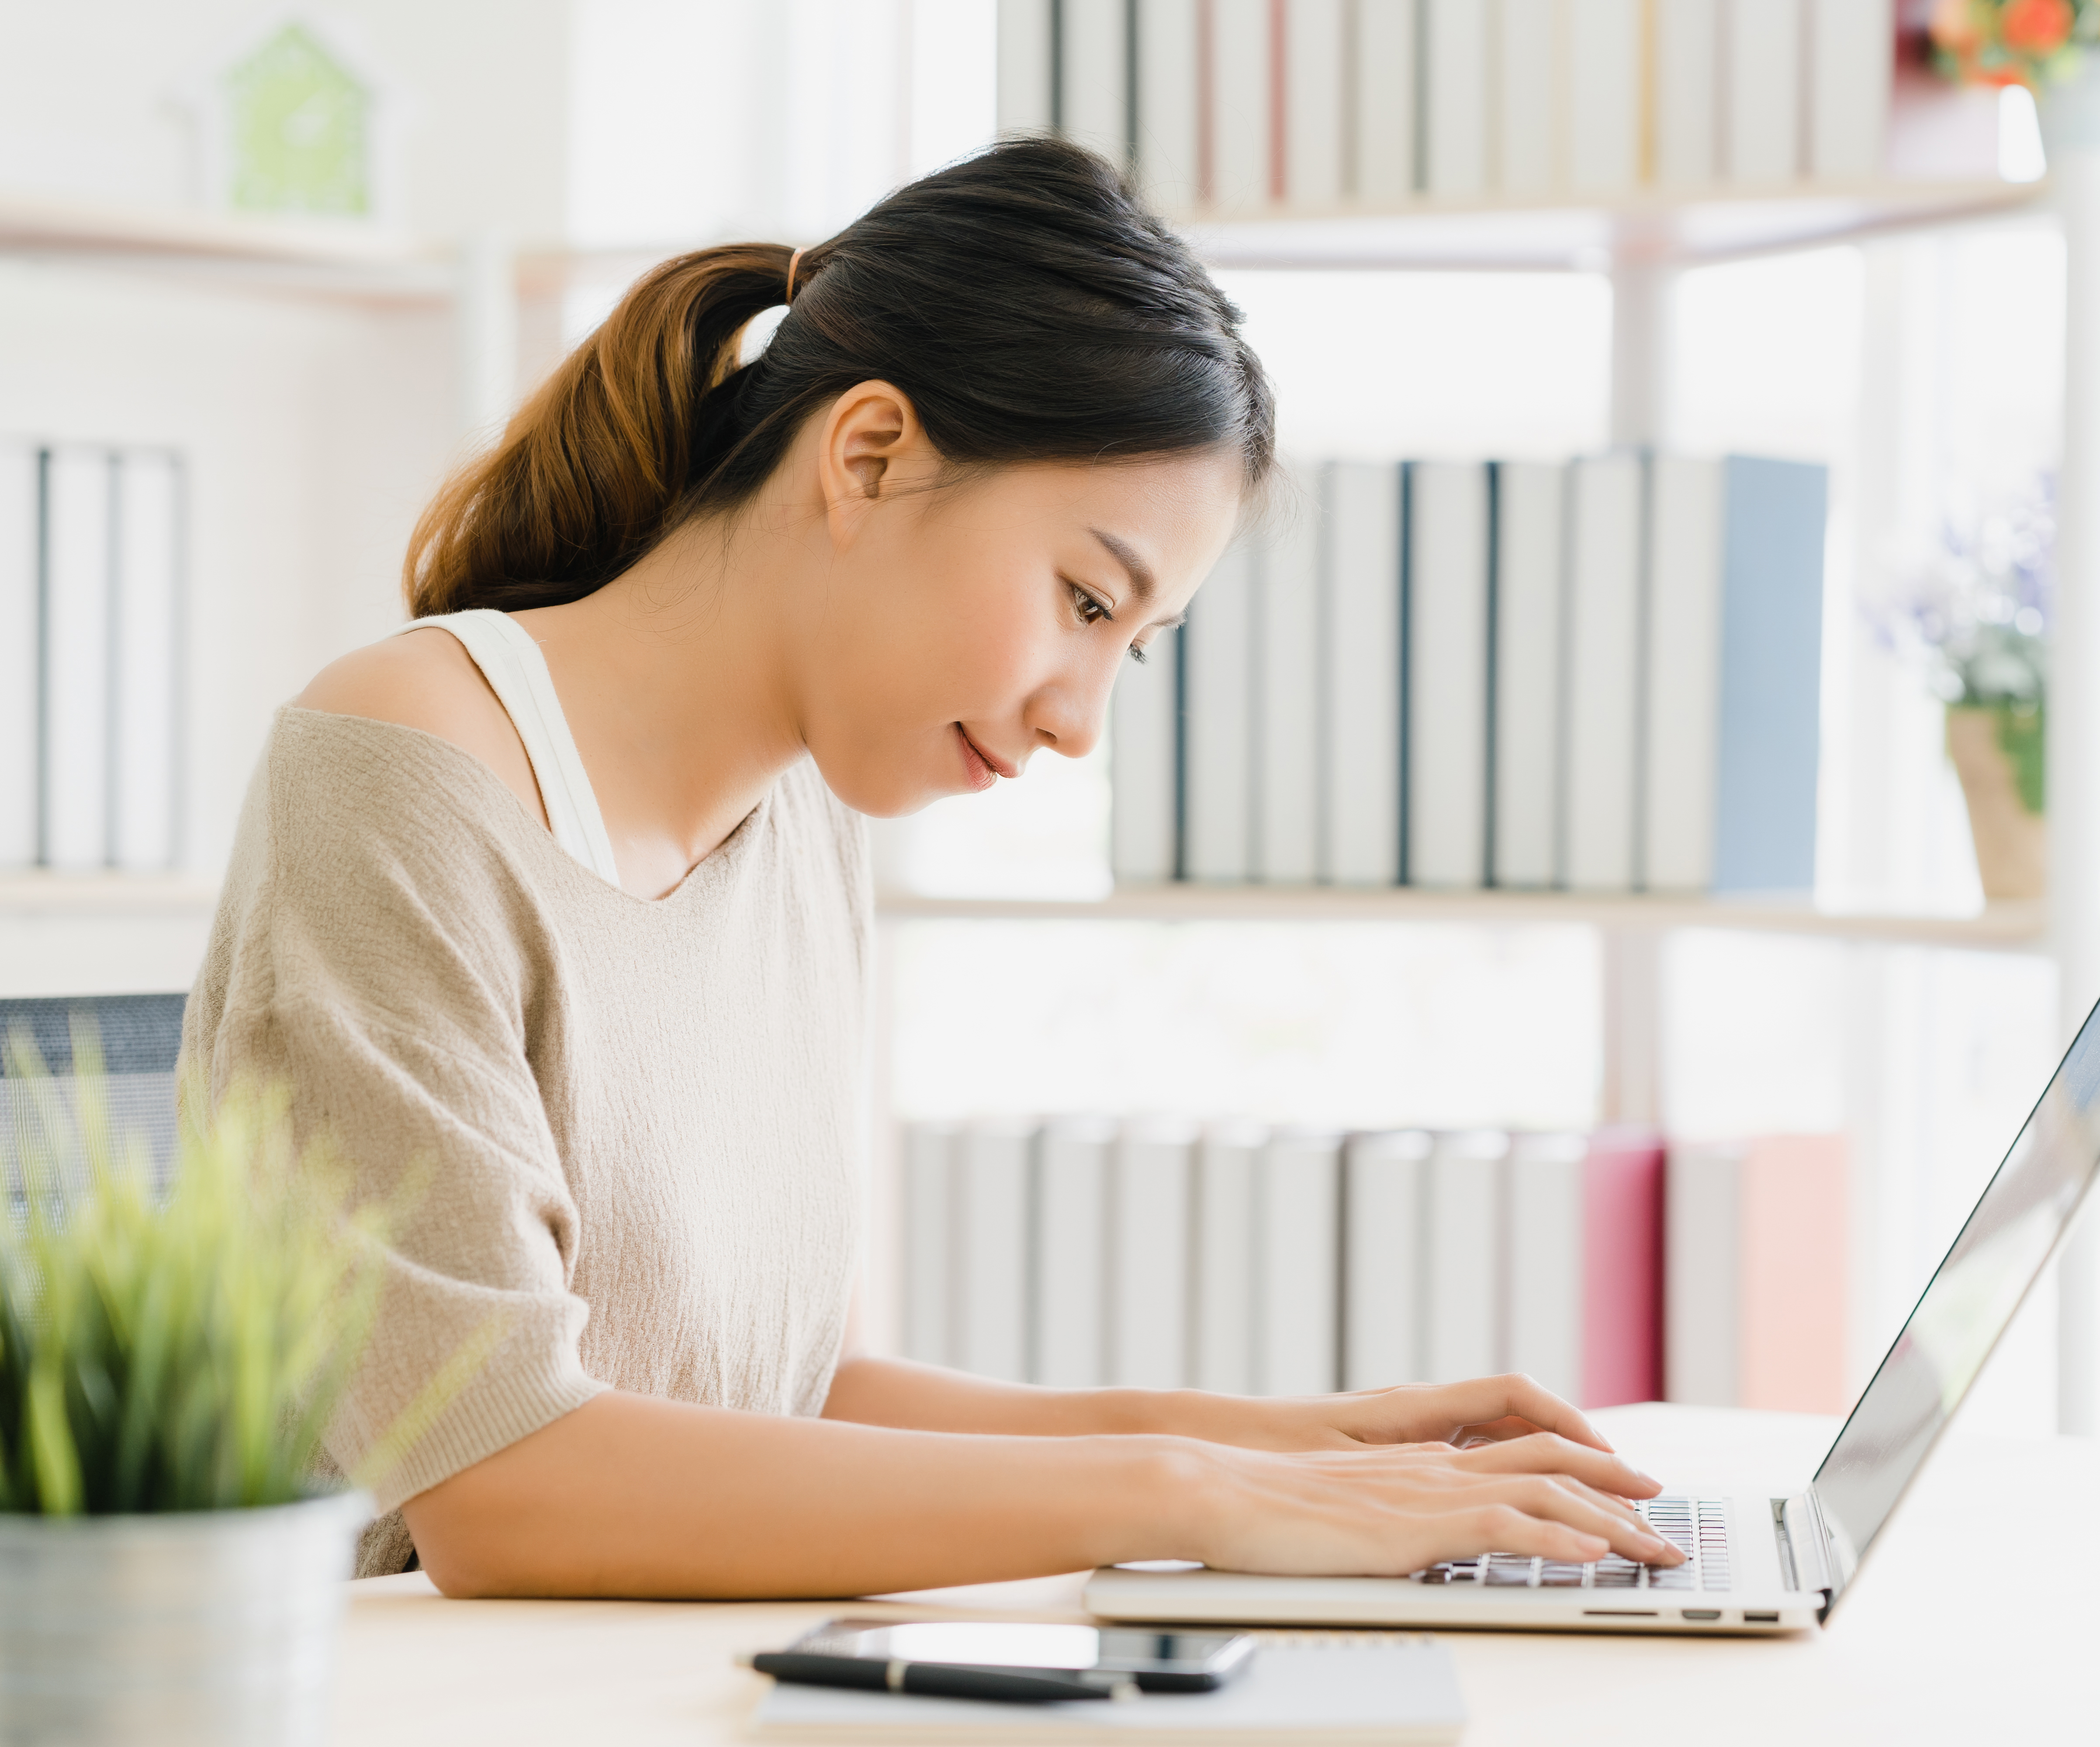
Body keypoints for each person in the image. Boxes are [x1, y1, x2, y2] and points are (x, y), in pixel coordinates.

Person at [183, 138, 1681, 1599]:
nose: (1082, 722)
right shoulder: (399, 768)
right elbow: (505, 1492)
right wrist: (1201, 1496)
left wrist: (1299, 1449)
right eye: (1086, 600)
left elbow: (781, 1401)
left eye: (1134, 647)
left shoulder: (803, 817)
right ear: (871, 454)